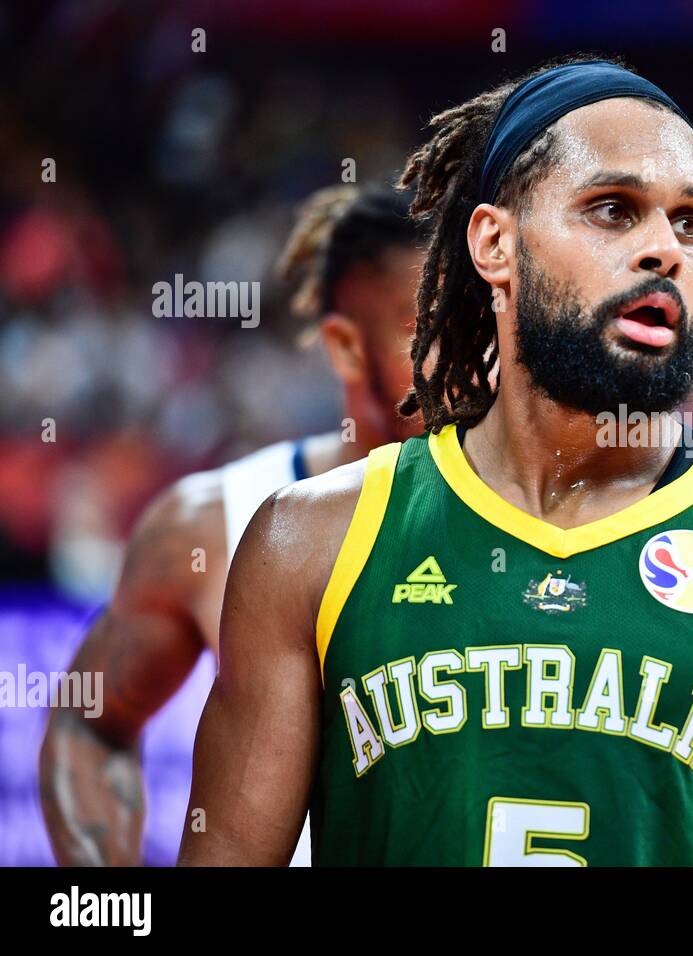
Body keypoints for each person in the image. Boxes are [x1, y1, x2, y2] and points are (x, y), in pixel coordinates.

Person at [179, 57, 693, 866]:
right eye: (613, 210)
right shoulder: (312, 542)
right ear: (495, 242)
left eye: (691, 224)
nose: (663, 251)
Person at [40, 184, 427, 865]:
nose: (464, 367)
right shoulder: (212, 520)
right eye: (426, 333)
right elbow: (88, 722)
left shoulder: (542, 511)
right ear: (343, 347)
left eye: (481, 328)